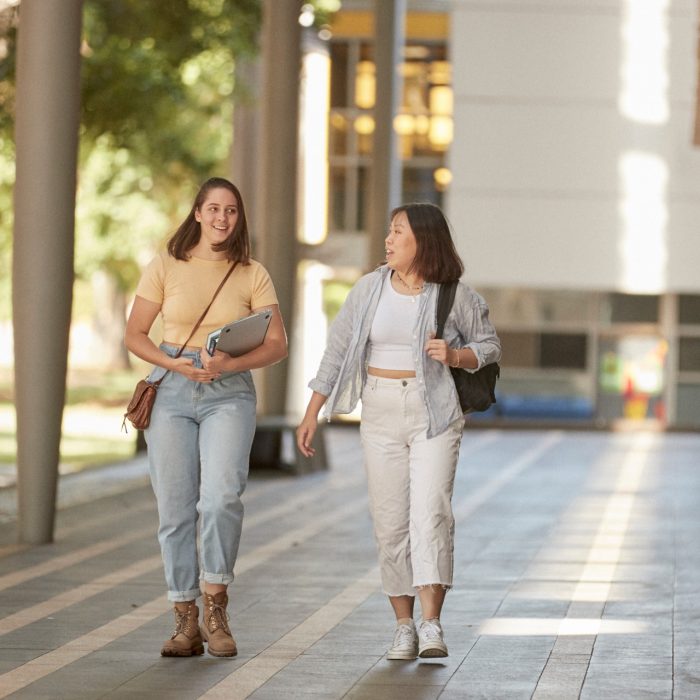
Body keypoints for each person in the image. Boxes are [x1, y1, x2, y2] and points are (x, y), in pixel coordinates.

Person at [296, 202, 500, 660]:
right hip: (380, 411)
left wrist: (455, 356)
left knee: (431, 514)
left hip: (435, 413)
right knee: (390, 523)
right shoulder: (369, 288)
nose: (388, 241)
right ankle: (403, 626)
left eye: (397, 233)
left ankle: (432, 625)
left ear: (423, 242)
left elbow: (489, 345)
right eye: (389, 232)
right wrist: (312, 411)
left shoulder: (455, 295)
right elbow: (337, 350)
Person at [125, 177, 287, 657]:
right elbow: (135, 333)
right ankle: (184, 619)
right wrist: (172, 363)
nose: (222, 218)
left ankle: (217, 605)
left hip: (228, 392)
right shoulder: (166, 264)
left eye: (231, 211)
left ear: (239, 218)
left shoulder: (251, 272)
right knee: (174, 510)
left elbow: (277, 343)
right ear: (197, 213)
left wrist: (230, 364)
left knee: (220, 499)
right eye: (213, 208)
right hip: (171, 388)